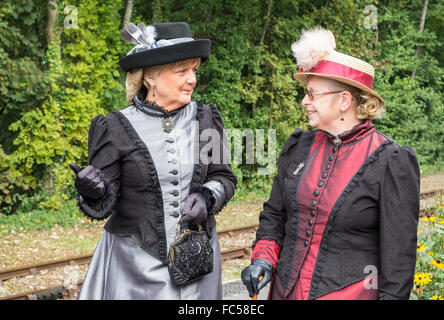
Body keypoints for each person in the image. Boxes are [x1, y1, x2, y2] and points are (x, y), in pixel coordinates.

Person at [241, 27, 420, 300]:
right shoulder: (298, 147)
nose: (304, 102)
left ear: (344, 100)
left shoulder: (390, 161)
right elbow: (275, 215)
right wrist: (263, 259)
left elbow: (399, 259)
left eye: (313, 94)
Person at [69, 21, 237, 299]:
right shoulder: (114, 127)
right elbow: (103, 204)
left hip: (198, 266)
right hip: (133, 268)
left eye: (194, 70)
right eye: (182, 71)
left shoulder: (206, 119)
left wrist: (207, 196)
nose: (192, 79)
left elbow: (224, 177)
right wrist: (94, 192)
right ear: (151, 78)